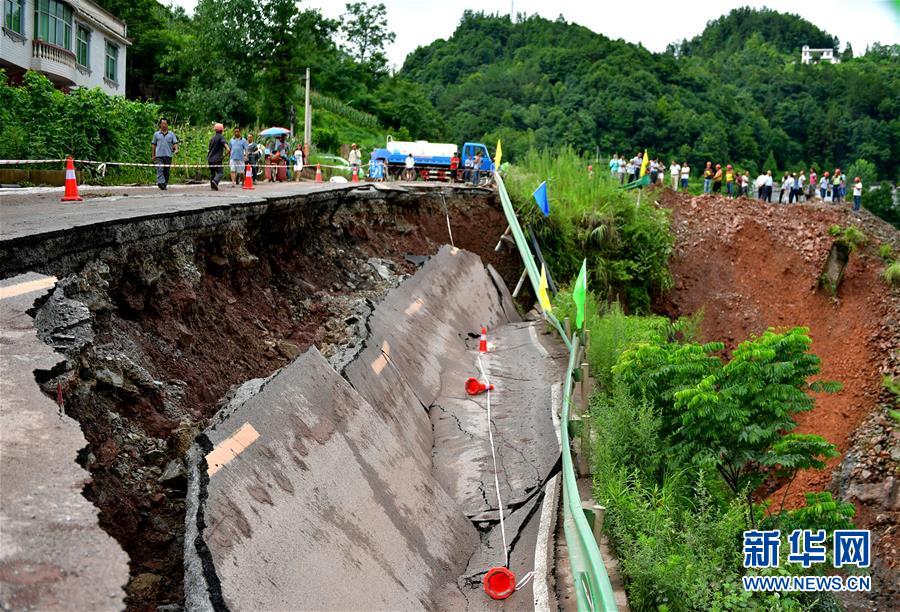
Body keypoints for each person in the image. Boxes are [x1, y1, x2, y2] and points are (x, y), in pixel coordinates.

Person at [151, 118, 178, 190]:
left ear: (167, 125)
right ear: (160, 124)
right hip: (159, 156)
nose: (164, 125)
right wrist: (153, 155)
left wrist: (176, 149)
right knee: (160, 169)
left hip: (168, 155)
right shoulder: (156, 134)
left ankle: (164, 184)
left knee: (166, 171)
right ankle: (160, 182)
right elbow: (153, 145)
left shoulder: (171, 134)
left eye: (165, 124)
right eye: (162, 124)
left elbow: (175, 143)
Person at [207, 123, 226, 191]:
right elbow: (226, 146)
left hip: (210, 159)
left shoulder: (212, 138)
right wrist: (228, 150)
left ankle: (213, 187)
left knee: (212, 173)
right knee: (220, 173)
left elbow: (209, 149)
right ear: (222, 130)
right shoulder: (221, 137)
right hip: (217, 159)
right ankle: (215, 181)